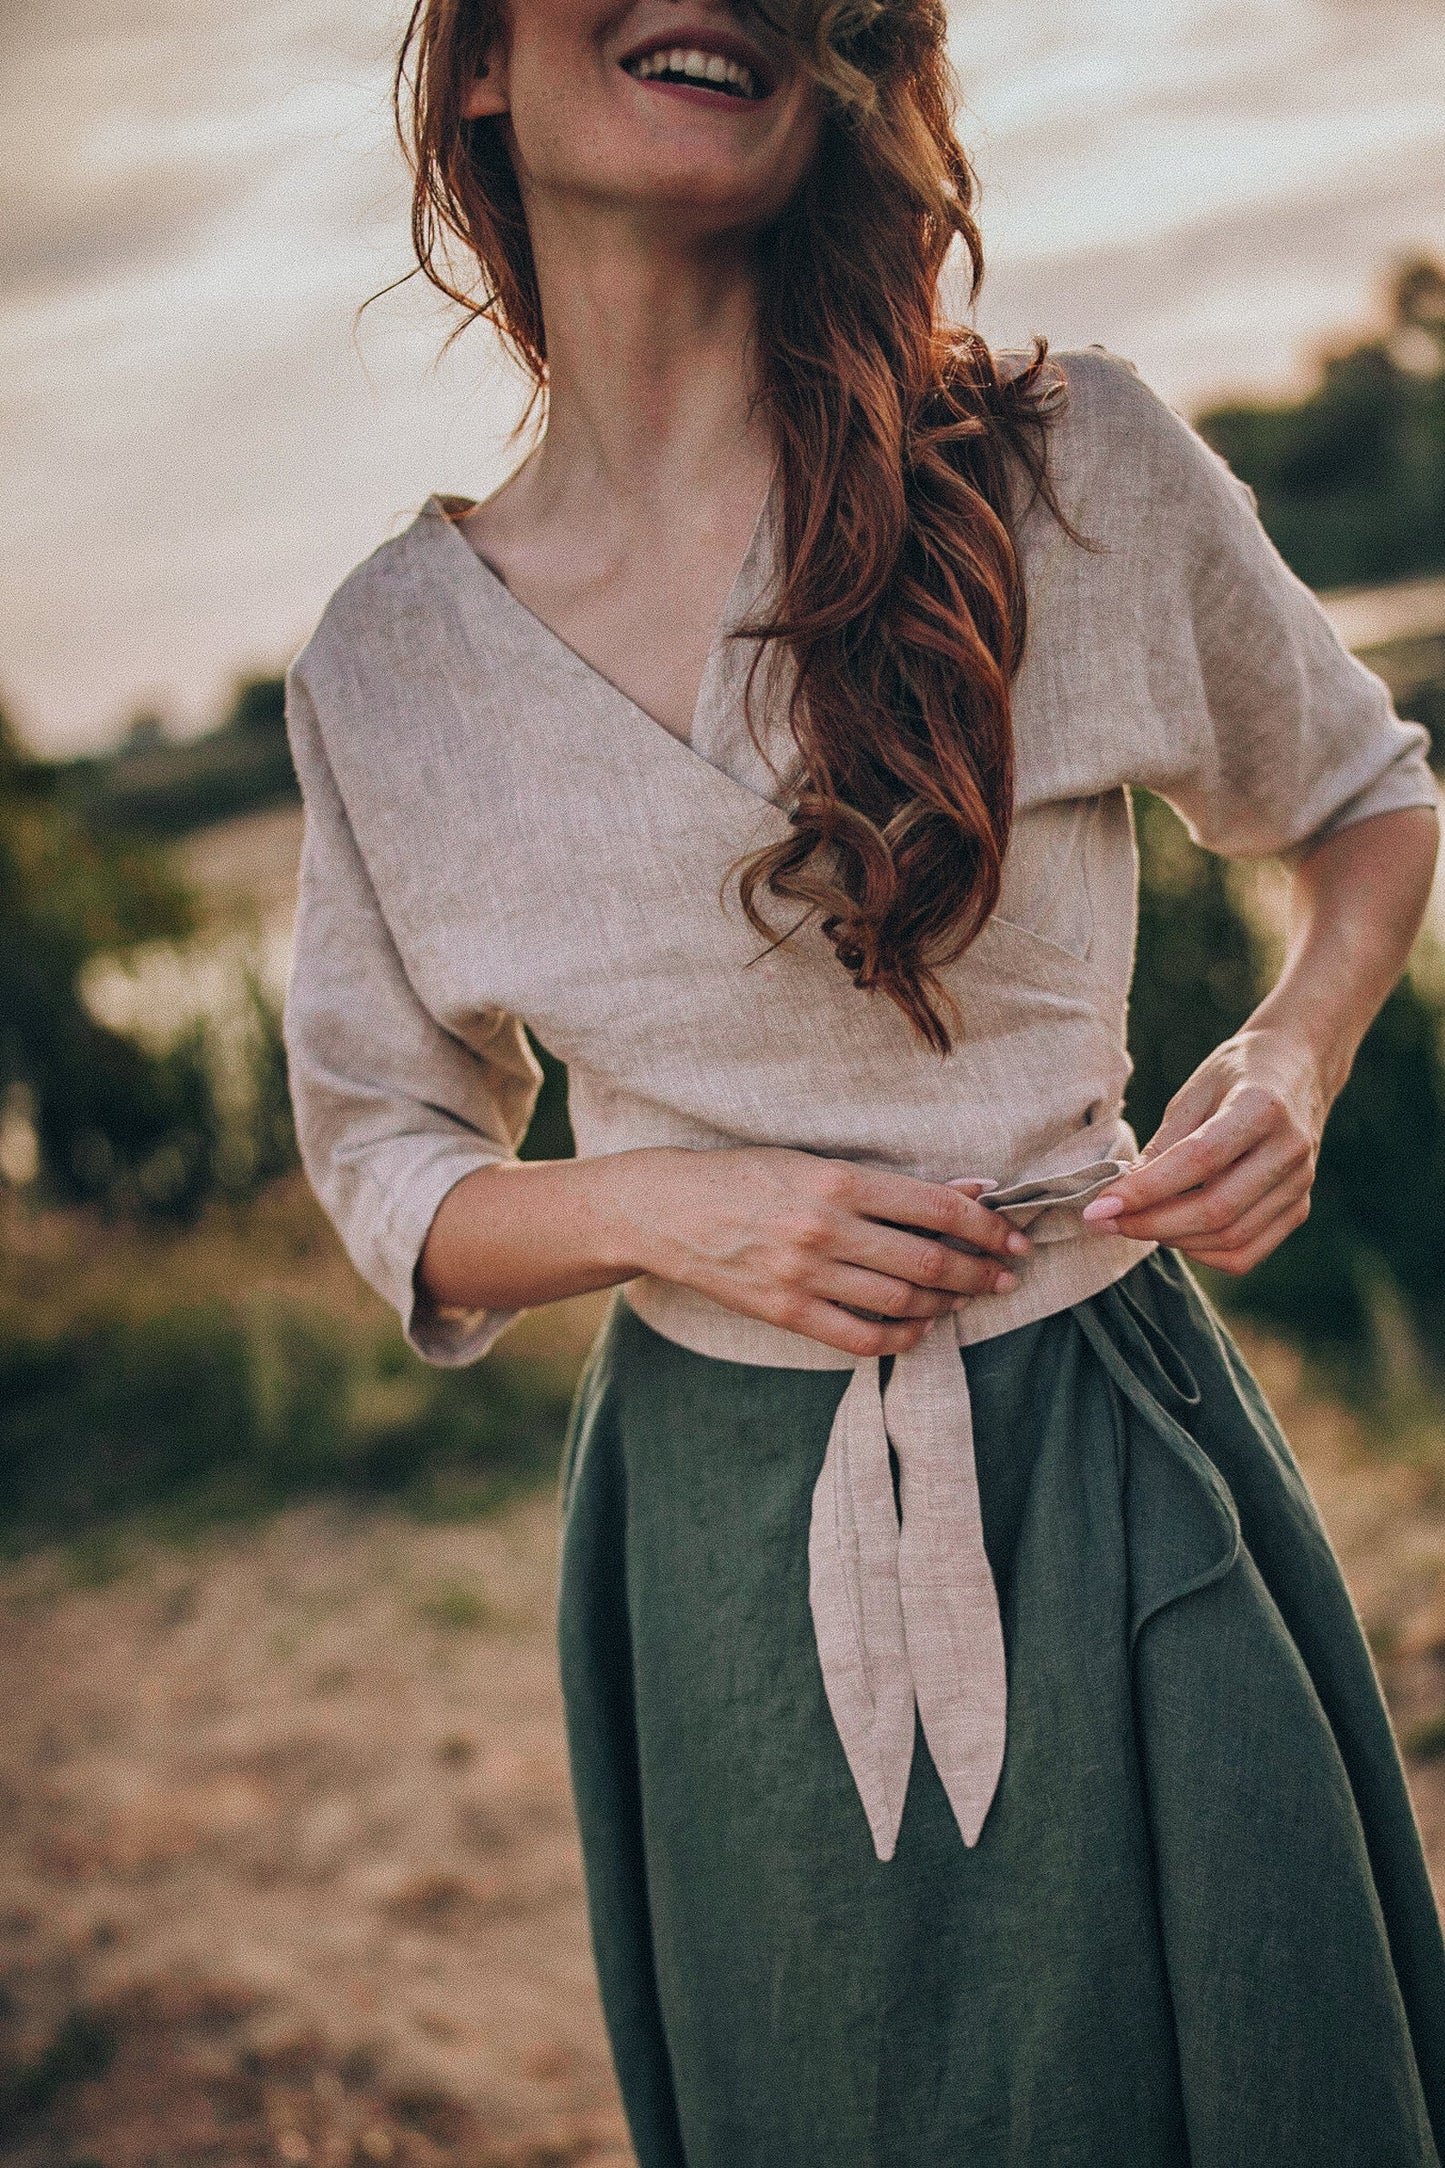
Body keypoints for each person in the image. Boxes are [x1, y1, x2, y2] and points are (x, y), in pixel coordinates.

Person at [282, 3, 1445, 2160]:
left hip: (1106, 1453)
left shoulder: (1064, 466)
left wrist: (1293, 1050)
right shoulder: (390, 666)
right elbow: (385, 1160)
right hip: (714, 1528)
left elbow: (1366, 797)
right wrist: (667, 1209)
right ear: (477, 63)